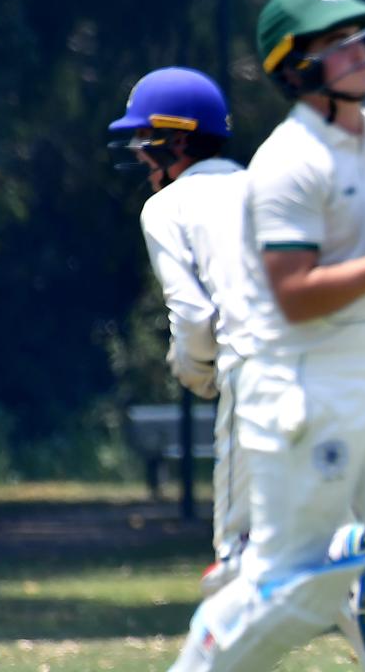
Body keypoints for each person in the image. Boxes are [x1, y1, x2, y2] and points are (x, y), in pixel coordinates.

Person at [167, 0, 365, 672]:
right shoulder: (288, 162)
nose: (361, 51)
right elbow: (297, 295)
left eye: (359, 37)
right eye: (336, 44)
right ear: (296, 65)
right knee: (297, 589)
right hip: (307, 381)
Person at [107, 65, 254, 589]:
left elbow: (193, 316)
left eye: (146, 141)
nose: (141, 156)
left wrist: (194, 370)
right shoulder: (263, 185)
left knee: (237, 556)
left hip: (256, 370)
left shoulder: (166, 206)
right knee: (316, 538)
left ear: (174, 141)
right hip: (328, 358)